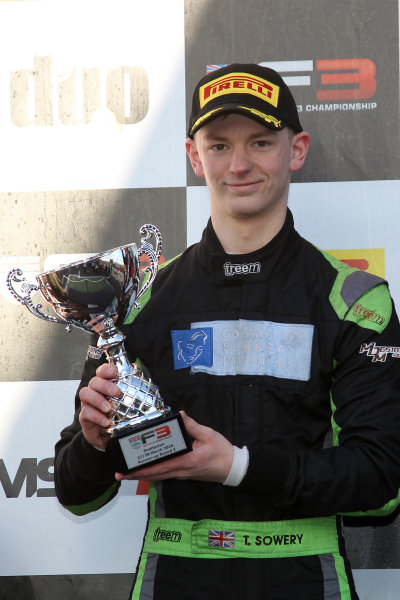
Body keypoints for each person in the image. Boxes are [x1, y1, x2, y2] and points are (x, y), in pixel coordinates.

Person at [54, 63, 400, 600]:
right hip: (175, 578)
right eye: (218, 145)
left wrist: (238, 467)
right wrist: (97, 443)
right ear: (195, 157)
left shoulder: (353, 299)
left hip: (306, 579)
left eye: (261, 142)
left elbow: (382, 486)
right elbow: (75, 494)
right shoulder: (139, 300)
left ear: (297, 149)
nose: (238, 164)